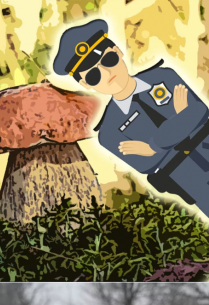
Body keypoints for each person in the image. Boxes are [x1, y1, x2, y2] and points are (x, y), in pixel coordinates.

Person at [53, 18, 209, 217]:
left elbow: (198, 112)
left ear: (118, 52)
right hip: (187, 176)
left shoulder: (163, 77)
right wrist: (181, 120)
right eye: (94, 75)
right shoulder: (109, 132)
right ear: (85, 84)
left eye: (108, 60)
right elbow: (146, 165)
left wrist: (153, 146)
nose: (107, 72)